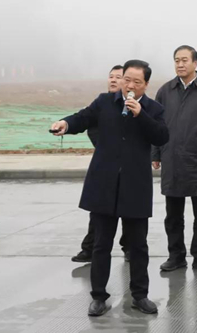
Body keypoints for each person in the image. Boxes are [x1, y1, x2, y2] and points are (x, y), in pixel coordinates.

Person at [50, 60, 169, 316]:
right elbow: (83, 118)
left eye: (137, 82)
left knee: (138, 246)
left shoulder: (154, 109)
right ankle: (98, 297)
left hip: (135, 186)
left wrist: (141, 114)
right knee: (101, 244)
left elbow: (161, 136)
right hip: (104, 183)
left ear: (146, 84)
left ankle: (140, 295)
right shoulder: (105, 102)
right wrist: (65, 124)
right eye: (127, 79)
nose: (129, 85)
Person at [152, 45, 197, 273]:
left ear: (195, 63)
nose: (180, 64)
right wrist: (155, 153)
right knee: (173, 215)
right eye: (177, 60)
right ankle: (176, 256)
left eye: (185, 60)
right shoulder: (165, 91)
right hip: (171, 158)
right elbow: (155, 124)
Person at [72, 65, 129, 263]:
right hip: (105, 166)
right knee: (99, 211)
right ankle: (89, 248)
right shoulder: (102, 102)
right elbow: (89, 125)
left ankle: (129, 247)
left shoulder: (134, 104)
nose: (113, 80)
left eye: (118, 77)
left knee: (128, 211)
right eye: (111, 76)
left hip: (128, 168)